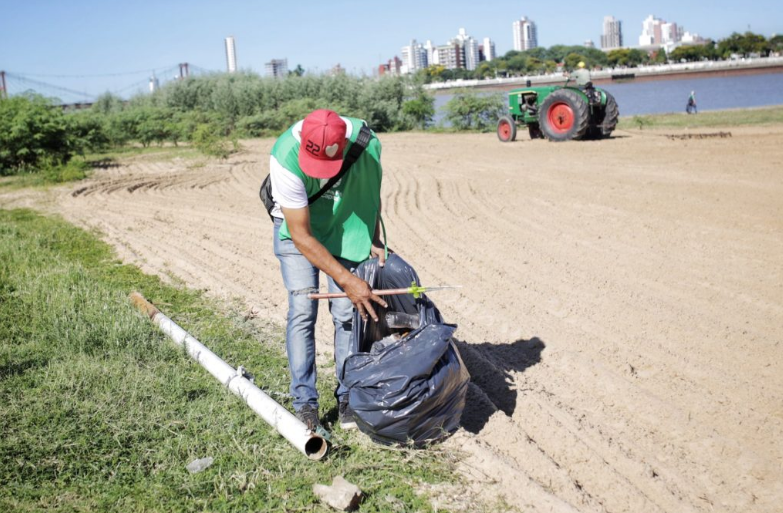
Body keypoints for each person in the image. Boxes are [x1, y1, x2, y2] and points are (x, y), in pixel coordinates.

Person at [268, 109, 388, 433]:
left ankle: (348, 397)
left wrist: (374, 236)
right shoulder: (284, 156)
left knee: (349, 312)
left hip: (344, 226)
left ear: (344, 144)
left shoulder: (366, 144)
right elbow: (302, 236)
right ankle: (305, 404)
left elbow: (369, 194)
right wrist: (347, 279)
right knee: (304, 309)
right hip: (299, 232)